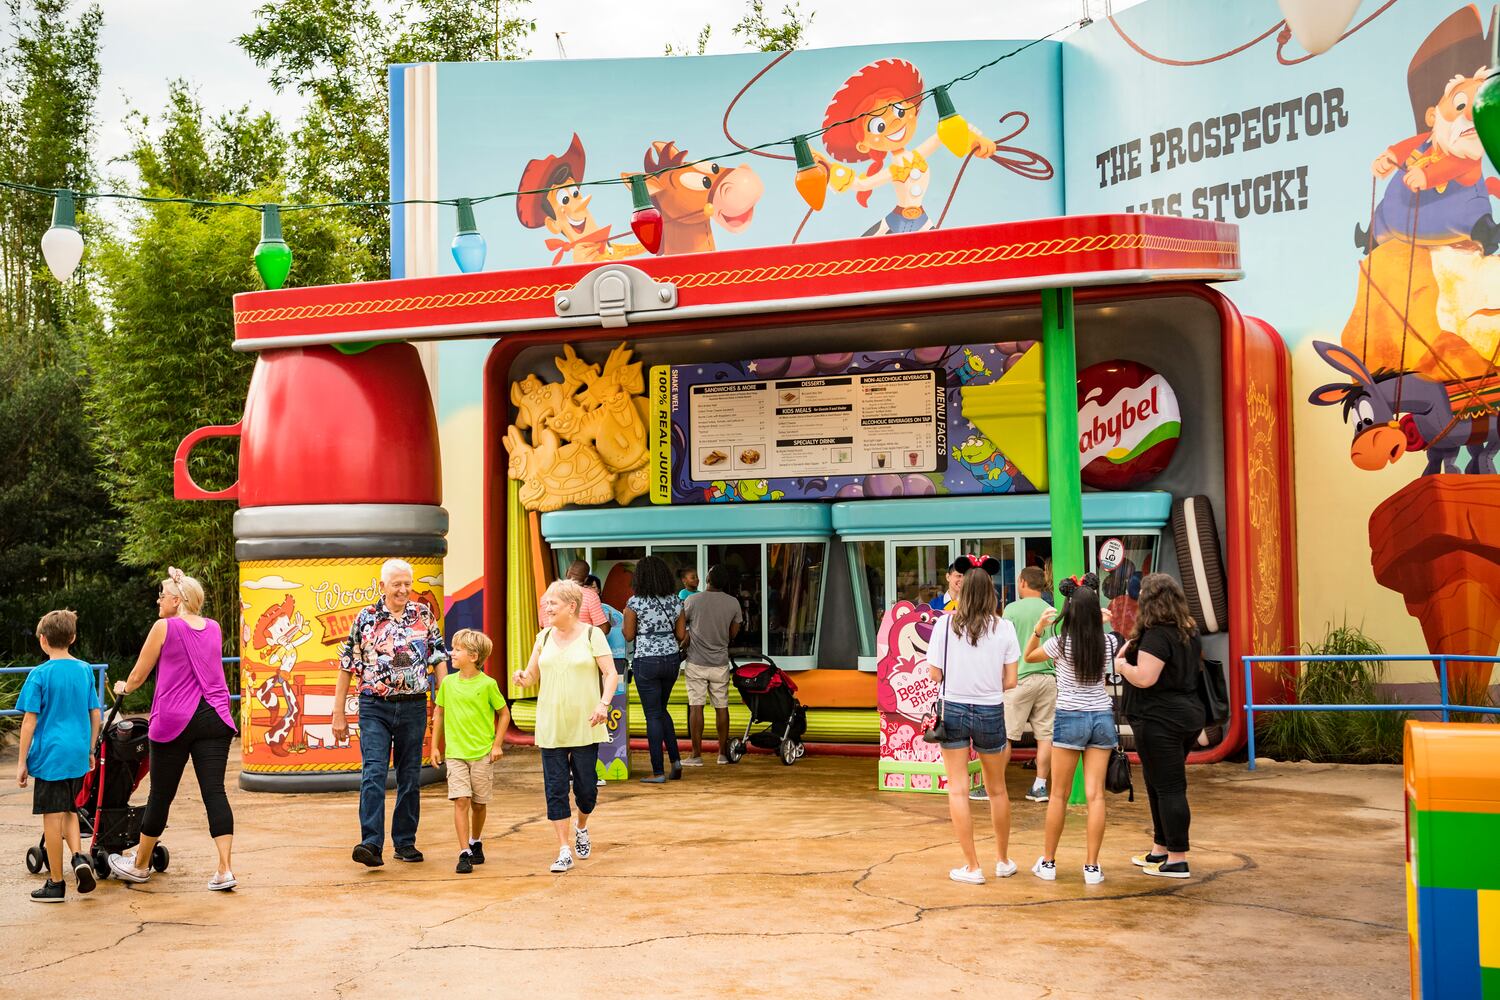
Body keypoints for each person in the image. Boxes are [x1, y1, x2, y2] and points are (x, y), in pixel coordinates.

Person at [110, 568, 239, 890]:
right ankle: (225, 870)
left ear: (177, 600)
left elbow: (139, 674)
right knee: (215, 792)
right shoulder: (213, 627)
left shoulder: (163, 627)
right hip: (214, 717)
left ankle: (140, 865)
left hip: (174, 720)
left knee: (161, 794)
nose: (158, 600)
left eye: (162, 595)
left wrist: (124, 687)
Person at [333, 558, 449, 869]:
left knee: (409, 775)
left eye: (407, 584)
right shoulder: (366, 618)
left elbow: (438, 657)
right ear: (382, 586)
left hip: (414, 705)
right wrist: (337, 712)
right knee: (373, 772)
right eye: (396, 584)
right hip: (375, 706)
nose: (403, 589)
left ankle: (405, 841)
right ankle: (371, 843)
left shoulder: (423, 614)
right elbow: (347, 664)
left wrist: (445, 699)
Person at [513, 579, 618, 873]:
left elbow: (611, 674)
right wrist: (522, 677)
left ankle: (581, 825)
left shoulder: (592, 635)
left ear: (571, 607)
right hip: (551, 725)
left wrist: (603, 704)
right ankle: (563, 849)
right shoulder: (543, 637)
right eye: (546, 603)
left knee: (586, 791)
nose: (547, 608)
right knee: (555, 789)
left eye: (552, 603)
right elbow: (532, 675)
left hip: (585, 724)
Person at [924, 567, 1021, 885]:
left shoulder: (944, 624)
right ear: (991, 593)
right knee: (997, 790)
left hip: (952, 708)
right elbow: (1011, 680)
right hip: (990, 710)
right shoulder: (1004, 627)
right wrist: (986, 684)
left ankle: (972, 867)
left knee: (958, 789)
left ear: (962, 592)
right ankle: (1003, 861)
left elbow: (935, 674)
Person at [1023, 574, 1120, 885]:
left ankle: (1048, 863)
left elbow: (1029, 656)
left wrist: (1039, 627)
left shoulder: (1059, 644)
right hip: (1101, 717)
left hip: (1070, 717)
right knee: (1096, 796)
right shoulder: (1108, 642)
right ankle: (1092, 868)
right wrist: (1104, 625)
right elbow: (1114, 643)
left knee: (1058, 795)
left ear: (1068, 610)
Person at [1114, 573, 1205, 880]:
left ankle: (1177, 859)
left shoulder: (1157, 636)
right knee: (1157, 783)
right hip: (1184, 715)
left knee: (1169, 787)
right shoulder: (1187, 631)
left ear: (1150, 601)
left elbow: (1145, 677)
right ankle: (1160, 849)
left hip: (1161, 720)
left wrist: (1122, 666)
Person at [15, 610, 101, 902]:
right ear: (73, 638)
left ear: (42, 640)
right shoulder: (85, 670)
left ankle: (55, 883)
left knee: (52, 818)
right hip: (77, 752)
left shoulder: (39, 674)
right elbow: (95, 714)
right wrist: (90, 749)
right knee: (69, 810)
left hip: (51, 755)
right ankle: (78, 858)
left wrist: (22, 762)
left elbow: (30, 721)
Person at [432, 629, 509, 875]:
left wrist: (497, 745)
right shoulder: (448, 683)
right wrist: (435, 747)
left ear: (474, 656)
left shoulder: (488, 684)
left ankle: (476, 841)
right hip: (456, 753)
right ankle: (464, 852)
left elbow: (504, 714)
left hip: (482, 754)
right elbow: (439, 713)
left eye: (457, 650)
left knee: (478, 803)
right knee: (461, 800)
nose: (452, 653)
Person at [624, 556, 686, 783]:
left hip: (646, 660)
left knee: (652, 715)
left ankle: (658, 771)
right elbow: (681, 635)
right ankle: (676, 761)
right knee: (661, 710)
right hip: (671, 660)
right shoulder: (675, 601)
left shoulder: (634, 603)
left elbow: (628, 635)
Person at [1003, 566, 1057, 804]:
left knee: (1006, 735)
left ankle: (994, 785)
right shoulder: (1051, 611)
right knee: (1045, 736)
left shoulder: (1011, 610)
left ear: (1023, 582)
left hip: (1020, 679)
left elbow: (1003, 644)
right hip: (1048, 678)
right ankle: (1040, 786)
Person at [682, 564, 742, 766]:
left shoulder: (692, 600)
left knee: (696, 707)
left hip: (696, 662)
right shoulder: (733, 603)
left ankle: (696, 755)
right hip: (720, 663)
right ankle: (723, 754)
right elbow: (733, 634)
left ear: (708, 579)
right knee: (721, 707)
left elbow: (681, 626)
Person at [587, 575, 627, 787]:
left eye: (593, 587)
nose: (590, 591)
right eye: (587, 587)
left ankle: (593, 770)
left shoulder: (610, 613)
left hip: (607, 671)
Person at [542, 560, 610, 634]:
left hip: (552, 640)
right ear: (586, 579)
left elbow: (543, 625)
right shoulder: (590, 596)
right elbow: (604, 629)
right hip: (580, 641)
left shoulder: (546, 596)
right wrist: (609, 624)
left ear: (566, 573)